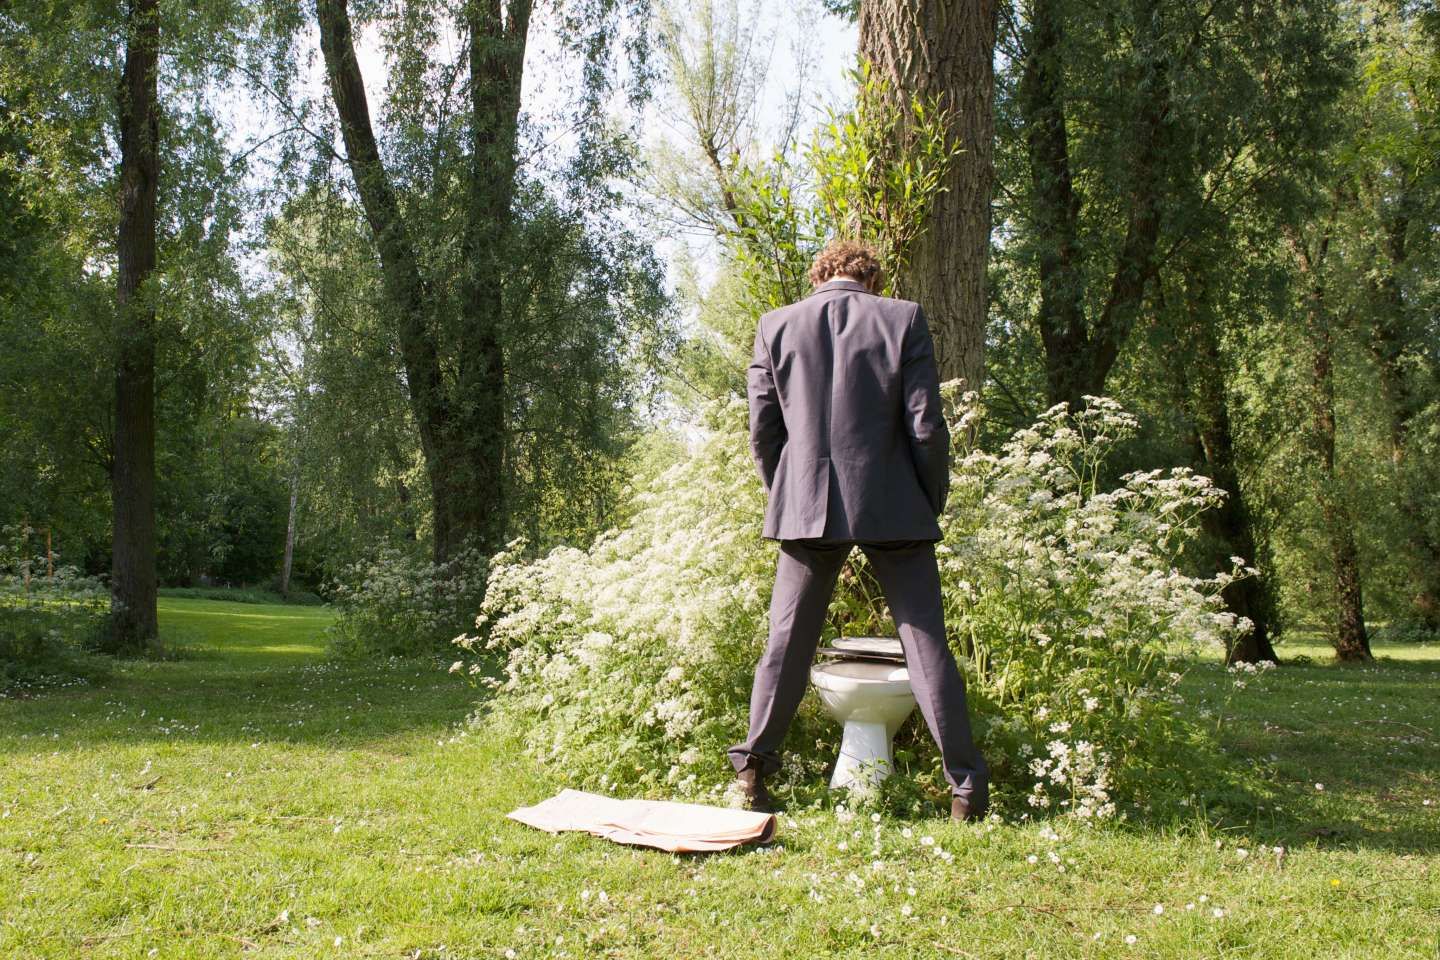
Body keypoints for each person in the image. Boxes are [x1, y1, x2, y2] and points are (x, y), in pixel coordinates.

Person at [725, 239, 990, 822]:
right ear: (870, 277)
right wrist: (930, 496)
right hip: (893, 502)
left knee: (786, 642)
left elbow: (763, 433)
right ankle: (966, 790)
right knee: (925, 646)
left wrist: (787, 492)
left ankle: (752, 772)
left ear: (820, 276)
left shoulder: (776, 325)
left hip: (805, 504)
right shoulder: (903, 318)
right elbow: (926, 424)